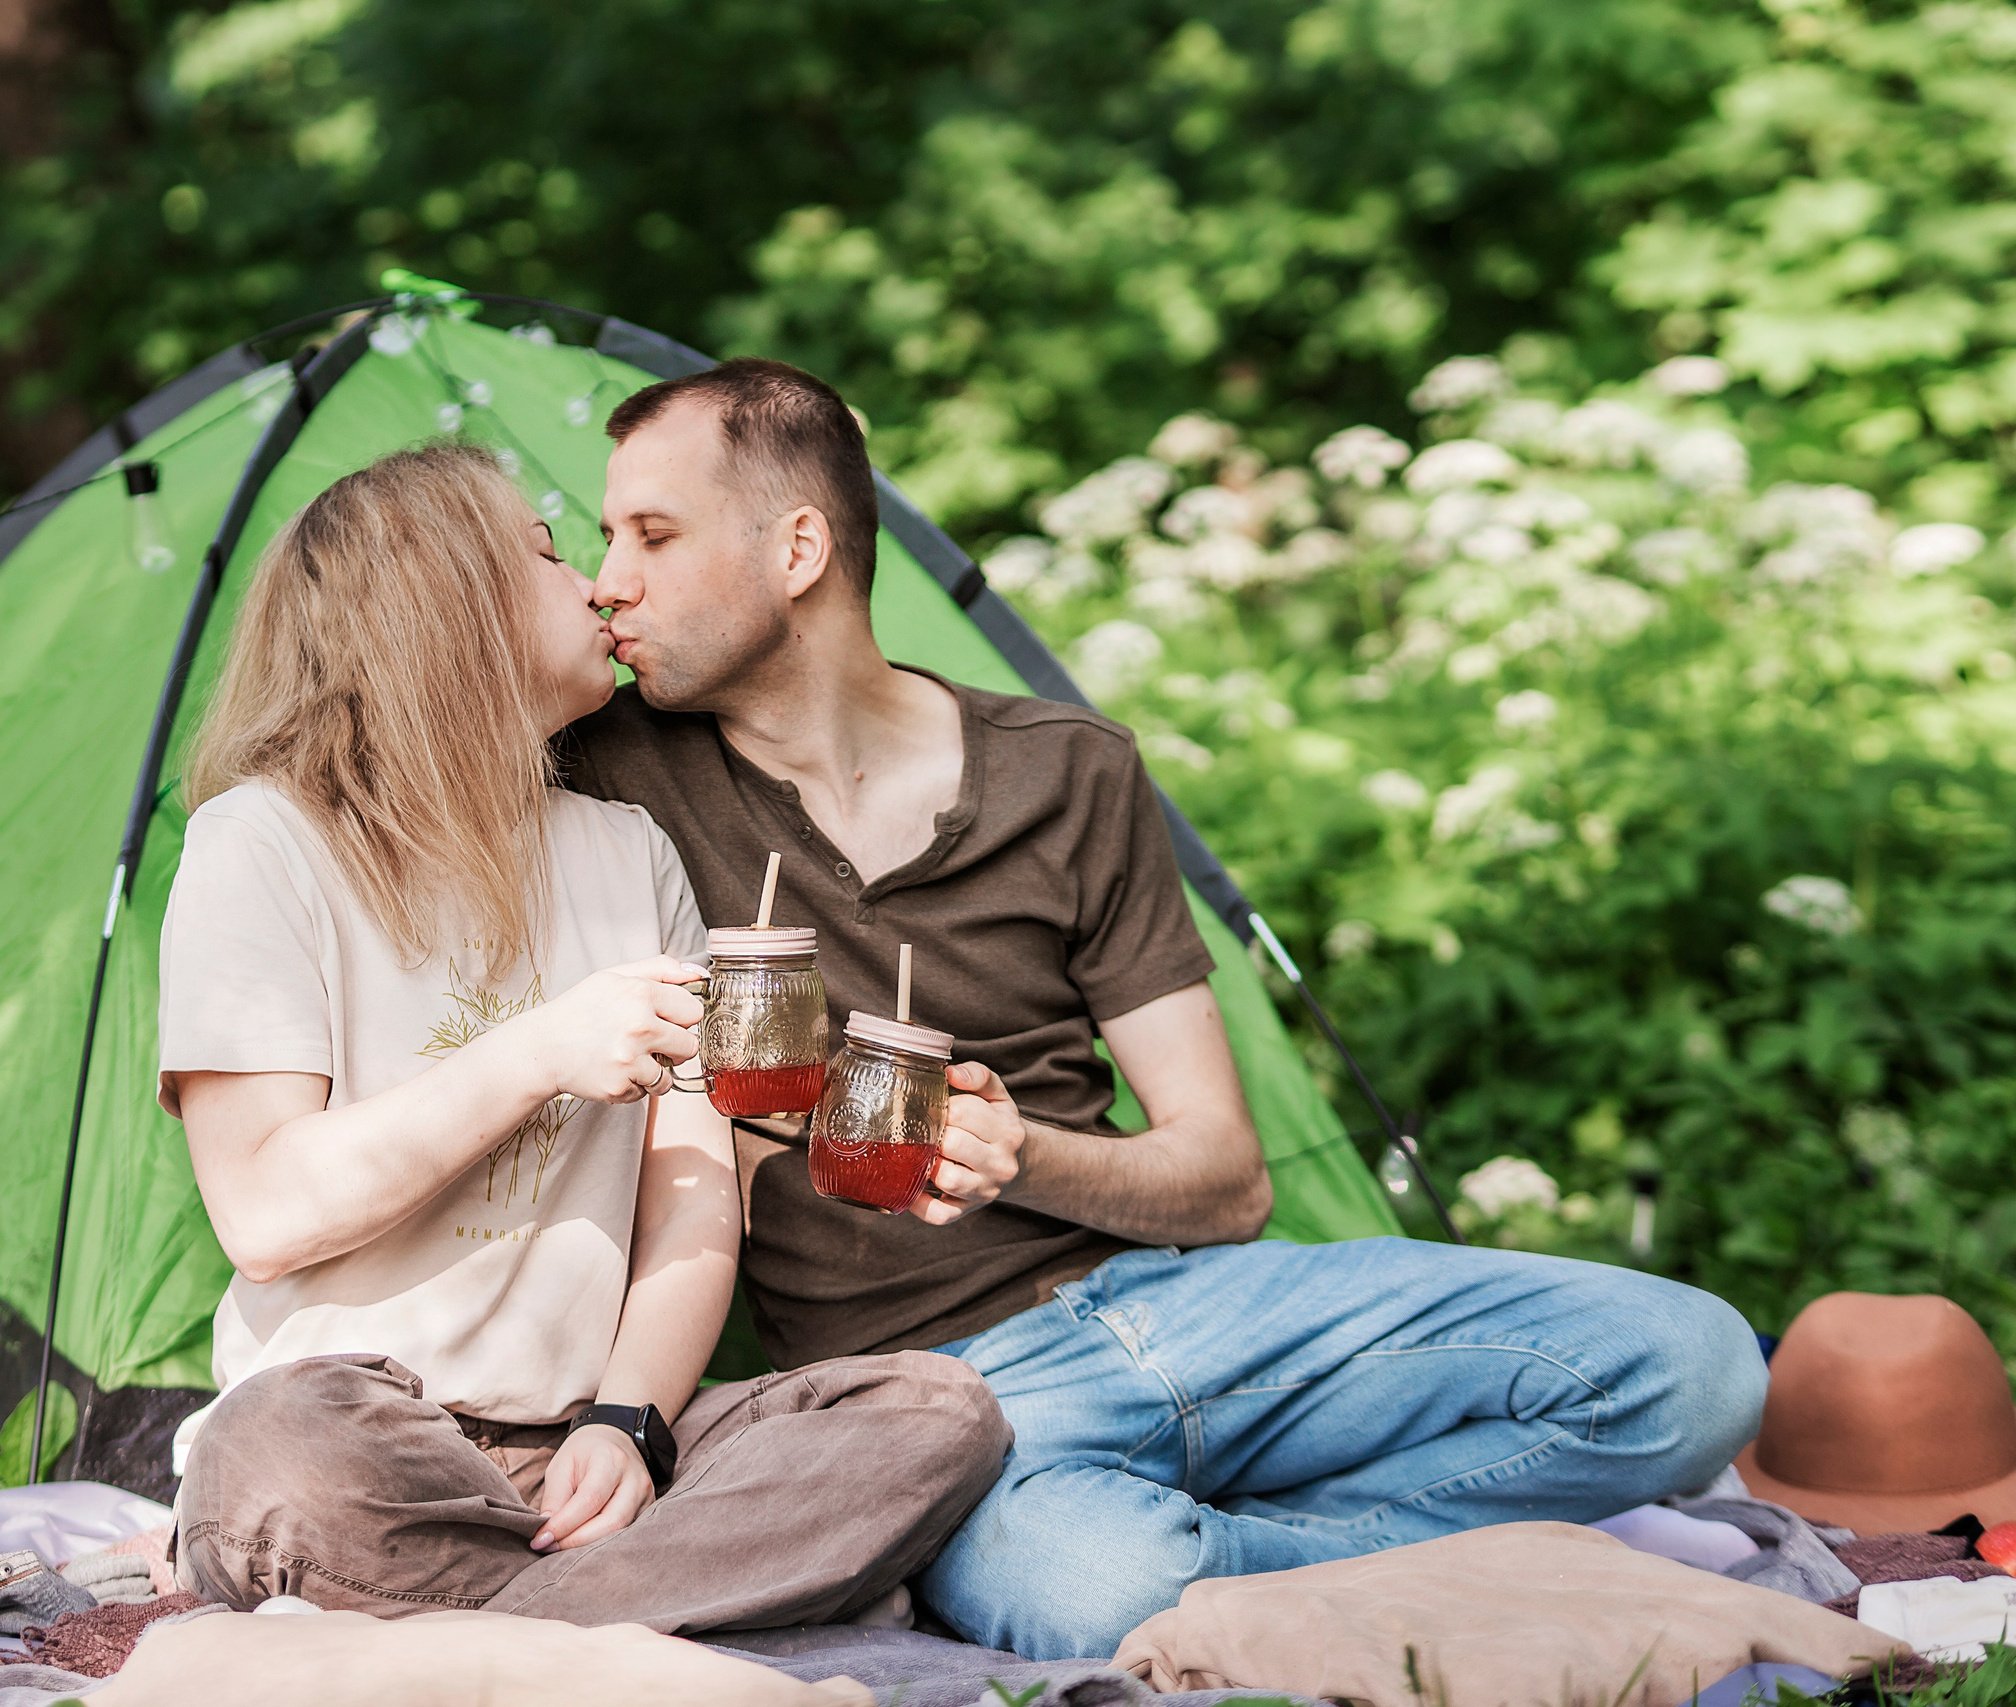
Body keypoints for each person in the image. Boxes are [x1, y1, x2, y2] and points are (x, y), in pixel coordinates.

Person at [563, 359, 1772, 1661]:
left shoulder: (1067, 771)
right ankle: (1437, 1564)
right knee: (1099, 1586)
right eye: (598, 539)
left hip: (1191, 1313)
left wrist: (1025, 1154)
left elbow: (1227, 1181)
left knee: (1693, 1365)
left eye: (652, 535)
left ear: (797, 548)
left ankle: (1260, 1572)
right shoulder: (607, 780)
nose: (606, 579)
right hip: (933, 1398)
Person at [154, 443, 1008, 1633]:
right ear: (450, 605)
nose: (598, 584)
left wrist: (630, 1422)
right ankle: (654, 1618)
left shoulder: (626, 852)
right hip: (358, 1439)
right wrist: (539, 1052)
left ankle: (495, 1632)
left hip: (579, 1457)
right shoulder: (262, 841)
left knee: (936, 1413)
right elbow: (265, 1216)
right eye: (550, 553)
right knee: (274, 1457)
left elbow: (694, 1199)